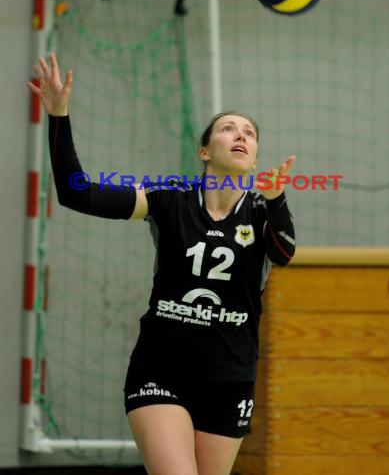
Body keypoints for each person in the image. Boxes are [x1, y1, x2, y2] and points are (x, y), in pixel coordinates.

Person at [28, 53, 296, 475]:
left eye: (249, 132)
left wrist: (278, 199)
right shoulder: (169, 198)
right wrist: (59, 115)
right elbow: (77, 193)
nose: (240, 134)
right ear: (204, 150)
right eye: (228, 128)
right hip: (162, 371)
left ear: (256, 154)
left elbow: (283, 256)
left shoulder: (262, 211)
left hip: (230, 379)